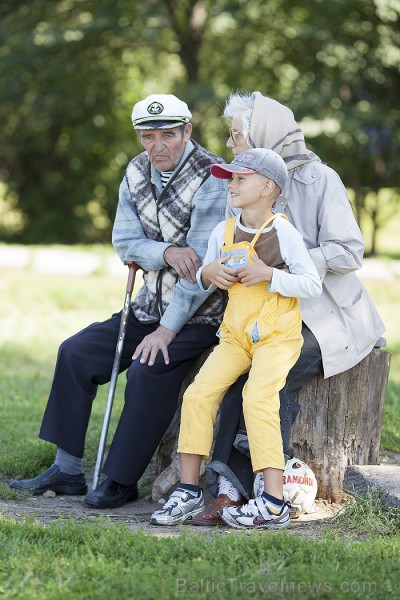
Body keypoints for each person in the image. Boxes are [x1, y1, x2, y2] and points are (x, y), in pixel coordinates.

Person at [9, 93, 229, 509]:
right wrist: (165, 252)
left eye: (168, 135)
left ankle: (121, 479)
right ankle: (68, 468)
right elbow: (125, 242)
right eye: (148, 136)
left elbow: (202, 270)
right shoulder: (135, 171)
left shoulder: (213, 175)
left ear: (187, 131)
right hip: (149, 306)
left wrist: (167, 330)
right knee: (76, 352)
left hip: (202, 316)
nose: (158, 146)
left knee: (148, 369)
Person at [190, 91, 386, 526]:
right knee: (230, 372)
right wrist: (222, 267)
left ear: (263, 134)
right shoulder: (243, 183)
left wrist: (286, 262)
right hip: (264, 311)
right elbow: (233, 246)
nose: (231, 144)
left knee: (272, 380)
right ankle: (227, 487)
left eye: (237, 135)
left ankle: (259, 491)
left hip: (326, 314)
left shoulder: (321, 179)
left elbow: (349, 252)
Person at [150, 148, 322, 530]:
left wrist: (268, 274)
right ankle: (189, 490)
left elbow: (312, 284)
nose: (232, 184)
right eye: (230, 178)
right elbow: (201, 278)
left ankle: (273, 502)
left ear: (267, 187)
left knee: (257, 398)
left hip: (276, 336)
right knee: (198, 395)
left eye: (241, 178)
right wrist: (207, 272)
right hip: (235, 334)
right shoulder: (223, 231)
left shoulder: (283, 231)